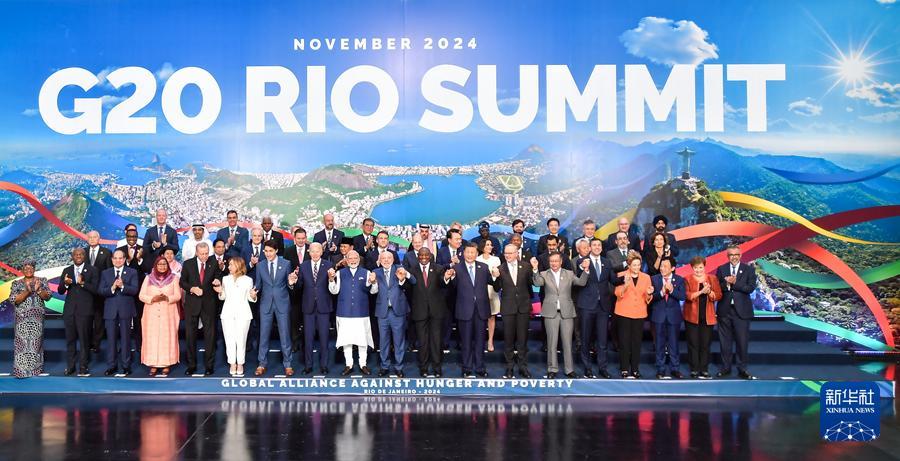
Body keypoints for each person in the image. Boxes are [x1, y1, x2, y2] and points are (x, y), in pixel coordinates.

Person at [445, 242, 499, 378]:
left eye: (472, 252)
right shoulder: (457, 268)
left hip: (481, 310)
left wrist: (495, 276)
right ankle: (467, 368)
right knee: (466, 341)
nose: (470, 255)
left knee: (480, 341)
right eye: (467, 252)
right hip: (464, 310)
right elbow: (451, 288)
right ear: (463, 253)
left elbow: (494, 283)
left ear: (476, 254)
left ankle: (480, 367)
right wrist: (449, 278)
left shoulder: (483, 267)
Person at [533, 253, 590, 379]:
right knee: (551, 343)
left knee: (567, 343)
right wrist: (535, 269)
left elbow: (581, 282)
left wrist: (586, 270)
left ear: (561, 262)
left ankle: (569, 370)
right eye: (551, 261)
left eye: (556, 261)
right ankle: (552, 369)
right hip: (550, 313)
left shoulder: (569, 274)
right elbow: (537, 283)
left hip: (567, 313)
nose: (554, 263)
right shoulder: (544, 274)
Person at [328, 250, 378, 376]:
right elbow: (334, 291)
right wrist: (331, 280)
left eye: (355, 258)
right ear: (346, 259)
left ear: (359, 260)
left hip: (361, 312)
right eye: (350, 258)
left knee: (362, 340)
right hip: (344, 312)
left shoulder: (367, 273)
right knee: (346, 340)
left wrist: (374, 282)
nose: (353, 260)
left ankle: (363, 364)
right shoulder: (339, 273)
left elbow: (373, 291)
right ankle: (348, 364)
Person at [253, 240, 298, 376]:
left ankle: (288, 364)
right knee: (263, 335)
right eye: (266, 251)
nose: (268, 254)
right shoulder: (260, 265)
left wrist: (291, 283)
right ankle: (262, 363)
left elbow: (289, 284)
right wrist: (254, 291)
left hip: (282, 303)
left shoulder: (286, 264)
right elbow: (258, 285)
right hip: (265, 304)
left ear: (276, 251)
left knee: (285, 335)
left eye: (270, 251)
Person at [573, 238, 616, 378]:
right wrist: (583, 267)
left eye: (599, 245)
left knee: (602, 340)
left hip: (603, 306)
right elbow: (578, 277)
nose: (597, 247)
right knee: (585, 338)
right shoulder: (582, 261)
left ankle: (602, 368)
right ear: (590, 247)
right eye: (594, 245)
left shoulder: (607, 262)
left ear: (602, 248)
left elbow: (613, 280)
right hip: (587, 306)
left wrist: (627, 277)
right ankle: (587, 368)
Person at [715, 244, 757, 380]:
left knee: (742, 342)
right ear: (728, 256)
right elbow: (718, 288)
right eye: (731, 255)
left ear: (740, 255)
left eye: (736, 255)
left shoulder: (749, 270)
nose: (734, 257)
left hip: (742, 311)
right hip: (725, 311)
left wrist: (734, 283)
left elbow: (750, 288)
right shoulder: (721, 269)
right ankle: (725, 368)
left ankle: (742, 369)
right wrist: (727, 284)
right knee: (725, 342)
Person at [372, 251, 416, 377]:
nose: (386, 260)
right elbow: (372, 290)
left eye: (389, 258)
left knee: (399, 341)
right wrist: (373, 282)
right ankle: (384, 366)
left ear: (393, 259)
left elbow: (413, 281)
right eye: (383, 258)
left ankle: (399, 367)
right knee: (383, 341)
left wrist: (405, 275)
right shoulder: (375, 272)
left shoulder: (399, 268)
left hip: (398, 311)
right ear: (380, 260)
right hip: (382, 312)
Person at [179, 242, 221, 376]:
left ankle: (209, 366)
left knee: (210, 336)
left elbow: (218, 276)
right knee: (190, 336)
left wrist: (217, 280)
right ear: (196, 252)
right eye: (202, 254)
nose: (204, 256)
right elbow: (182, 282)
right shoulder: (188, 264)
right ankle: (191, 365)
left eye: (206, 253)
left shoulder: (213, 263)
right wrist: (192, 288)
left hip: (209, 304)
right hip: (192, 304)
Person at [406, 248, 449, 377]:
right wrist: (402, 280)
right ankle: (423, 368)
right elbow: (407, 288)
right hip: (419, 311)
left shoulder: (439, 268)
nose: (424, 257)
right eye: (421, 255)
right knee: (422, 341)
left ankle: (437, 368)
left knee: (436, 341)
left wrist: (446, 278)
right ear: (417, 257)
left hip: (436, 311)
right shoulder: (411, 270)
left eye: (426, 255)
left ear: (430, 256)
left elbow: (443, 284)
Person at [494, 244, 535, 378]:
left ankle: (523, 366)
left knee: (522, 339)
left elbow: (531, 285)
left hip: (523, 307)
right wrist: (495, 277)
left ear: (517, 253)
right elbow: (496, 288)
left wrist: (528, 301)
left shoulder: (526, 266)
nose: (507, 255)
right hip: (508, 308)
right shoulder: (500, 269)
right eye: (506, 253)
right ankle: (509, 367)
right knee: (508, 339)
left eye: (510, 253)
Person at [294, 242, 333, 375]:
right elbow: (299, 286)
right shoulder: (303, 266)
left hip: (324, 306)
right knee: (308, 339)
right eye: (312, 251)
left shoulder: (328, 265)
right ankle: (308, 365)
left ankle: (324, 365)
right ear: (308, 252)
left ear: (321, 252)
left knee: (324, 338)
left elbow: (332, 286)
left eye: (318, 251)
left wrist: (332, 279)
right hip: (308, 307)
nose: (315, 253)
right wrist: (293, 282)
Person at [138, 256, 181, 376]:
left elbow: (178, 295)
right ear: (155, 266)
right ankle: (152, 364)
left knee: (166, 338)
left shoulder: (174, 278)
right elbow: (141, 295)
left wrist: (167, 298)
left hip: (168, 313)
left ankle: (166, 364)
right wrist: (153, 298)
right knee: (152, 338)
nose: (162, 266)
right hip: (151, 314)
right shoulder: (148, 278)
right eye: (160, 264)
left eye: (164, 264)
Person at [213, 256, 256, 377]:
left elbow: (250, 298)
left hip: (243, 314)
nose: (229, 267)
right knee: (229, 339)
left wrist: (253, 295)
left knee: (241, 339)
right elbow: (223, 297)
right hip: (228, 313)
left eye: (231, 264)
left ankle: (240, 363)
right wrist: (220, 291)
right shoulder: (225, 279)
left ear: (238, 265)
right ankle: (232, 363)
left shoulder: (248, 280)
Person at [99, 250, 140, 376]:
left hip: (126, 310)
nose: (118, 260)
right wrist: (112, 288)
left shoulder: (132, 272)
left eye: (120, 258)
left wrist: (122, 286)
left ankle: (126, 365)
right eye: (115, 258)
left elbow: (135, 290)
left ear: (124, 259)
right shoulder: (105, 273)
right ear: (112, 260)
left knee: (126, 339)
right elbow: (100, 291)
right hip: (110, 311)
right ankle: (111, 366)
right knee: (111, 340)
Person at [59, 248, 99, 376]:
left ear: (84, 256)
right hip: (69, 311)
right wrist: (65, 284)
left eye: (81, 254)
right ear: (72, 257)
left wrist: (82, 283)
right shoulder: (67, 270)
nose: (78, 256)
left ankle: (83, 367)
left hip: (85, 311)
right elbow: (60, 290)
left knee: (84, 340)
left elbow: (96, 290)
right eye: (76, 254)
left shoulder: (92, 270)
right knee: (70, 340)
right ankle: (70, 367)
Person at [8, 260, 51, 378]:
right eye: (26, 268)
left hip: (37, 318)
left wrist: (38, 289)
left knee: (35, 343)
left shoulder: (42, 281)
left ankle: (35, 370)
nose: (28, 270)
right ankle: (21, 371)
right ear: (22, 270)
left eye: (31, 268)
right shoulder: (17, 283)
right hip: (21, 318)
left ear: (34, 269)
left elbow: (47, 297)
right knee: (21, 343)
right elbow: (14, 300)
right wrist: (28, 291)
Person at [613, 251, 652, 379]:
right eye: (634, 265)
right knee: (624, 342)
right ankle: (624, 368)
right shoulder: (621, 275)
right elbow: (617, 293)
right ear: (629, 265)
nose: (636, 267)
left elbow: (647, 298)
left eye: (638, 265)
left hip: (639, 313)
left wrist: (649, 293)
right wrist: (625, 286)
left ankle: (635, 369)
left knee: (636, 342)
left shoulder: (646, 277)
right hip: (623, 313)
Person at [683, 256, 722, 379]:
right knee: (693, 343)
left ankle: (704, 369)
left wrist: (709, 292)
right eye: (696, 268)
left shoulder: (712, 278)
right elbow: (687, 296)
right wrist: (701, 292)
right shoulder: (687, 279)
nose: (698, 270)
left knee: (705, 344)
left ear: (704, 267)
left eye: (700, 267)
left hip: (707, 316)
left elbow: (718, 295)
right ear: (692, 268)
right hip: (691, 316)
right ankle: (694, 369)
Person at [649, 257, 685, 379]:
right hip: (658, 316)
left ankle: (675, 369)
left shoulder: (679, 279)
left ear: (673, 268)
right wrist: (662, 292)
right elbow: (650, 298)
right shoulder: (654, 279)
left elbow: (682, 296)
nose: (662, 268)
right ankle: (661, 369)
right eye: (661, 266)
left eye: (665, 266)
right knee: (659, 344)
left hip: (673, 317)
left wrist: (672, 290)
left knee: (674, 344)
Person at [117, 229, 147, 354]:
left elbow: (148, 268)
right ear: (126, 237)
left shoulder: (143, 249)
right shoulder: (120, 250)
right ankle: (124, 345)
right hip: (124, 290)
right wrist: (128, 260)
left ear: (137, 237)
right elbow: (117, 268)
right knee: (124, 319)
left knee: (138, 319)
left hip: (139, 290)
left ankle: (140, 345)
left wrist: (139, 259)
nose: (132, 239)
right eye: (129, 236)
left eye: (134, 236)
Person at [85, 230, 112, 353]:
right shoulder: (82, 252)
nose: (92, 239)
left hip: (100, 292)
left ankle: (96, 343)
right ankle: (87, 342)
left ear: (99, 239)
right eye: (90, 237)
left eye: (94, 237)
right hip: (85, 291)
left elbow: (109, 272)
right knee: (86, 319)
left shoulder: (106, 252)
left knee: (99, 319)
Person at [285, 227, 310, 353]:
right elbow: (286, 269)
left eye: (303, 238)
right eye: (298, 238)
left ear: (306, 238)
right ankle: (294, 343)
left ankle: (306, 344)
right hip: (293, 291)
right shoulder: (288, 251)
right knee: (294, 318)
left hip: (308, 290)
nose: (301, 241)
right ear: (294, 239)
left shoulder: (311, 250)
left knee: (307, 319)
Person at [475, 239, 501, 352]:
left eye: (491, 245)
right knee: (480, 318)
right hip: (480, 292)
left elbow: (497, 277)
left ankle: (490, 341)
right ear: (482, 247)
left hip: (492, 292)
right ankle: (479, 341)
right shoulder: (477, 259)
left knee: (491, 317)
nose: (490, 246)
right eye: (488, 245)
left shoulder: (496, 259)